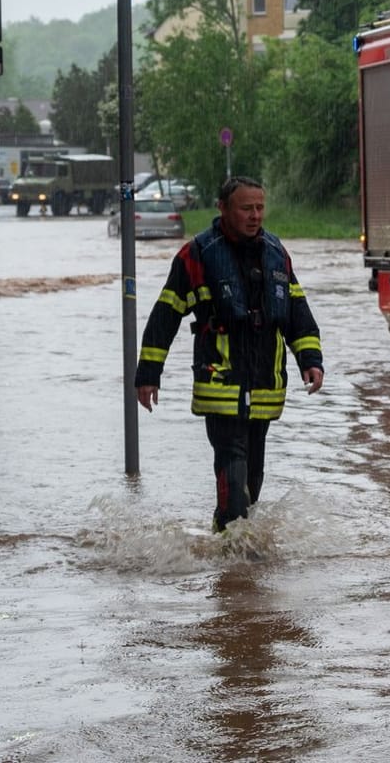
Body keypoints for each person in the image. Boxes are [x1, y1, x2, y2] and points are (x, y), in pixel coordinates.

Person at [135, 176, 325, 533]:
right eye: (246, 208)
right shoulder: (197, 255)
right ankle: (234, 566)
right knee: (233, 473)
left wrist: (310, 360)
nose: (255, 216)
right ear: (222, 208)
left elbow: (297, 311)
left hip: (266, 387)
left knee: (253, 478)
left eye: (260, 208)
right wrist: (148, 374)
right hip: (220, 385)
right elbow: (166, 314)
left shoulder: (276, 252)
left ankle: (229, 549)